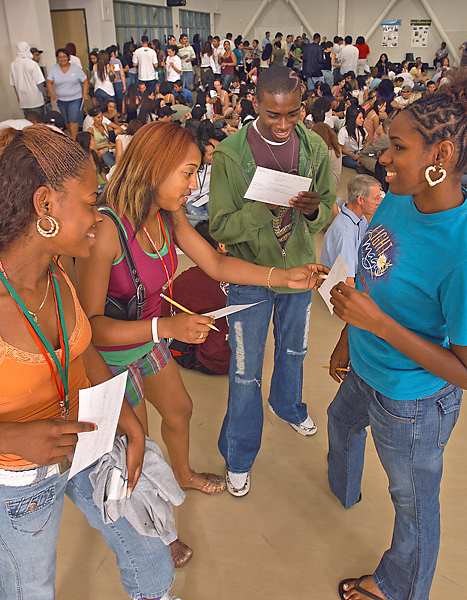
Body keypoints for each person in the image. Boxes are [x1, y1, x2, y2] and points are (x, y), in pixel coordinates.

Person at [75, 122, 323, 568]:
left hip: (149, 335)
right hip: (108, 356)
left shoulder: (167, 216)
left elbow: (214, 262)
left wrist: (281, 278)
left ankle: (184, 474)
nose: (194, 186)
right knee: (141, 447)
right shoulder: (107, 230)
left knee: (181, 409)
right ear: (154, 168)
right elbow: (90, 330)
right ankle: (158, 534)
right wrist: (167, 328)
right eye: (189, 174)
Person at [0, 123, 179, 600]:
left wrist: (127, 421)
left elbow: (82, 353)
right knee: (29, 586)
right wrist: (14, 436)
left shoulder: (56, 273)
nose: (100, 217)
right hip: (21, 474)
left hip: (87, 437)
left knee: (147, 545)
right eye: (89, 202)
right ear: (44, 206)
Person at [328, 70, 467, 600]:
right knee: (339, 427)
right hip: (363, 364)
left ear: (443, 155)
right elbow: (372, 274)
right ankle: (342, 487)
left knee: (413, 505)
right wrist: (348, 334)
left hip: (410, 401)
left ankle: (399, 587)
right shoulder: (398, 200)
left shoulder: (460, 252)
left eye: (399, 147)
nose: (382, 156)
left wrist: (378, 326)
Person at [209, 66, 336, 497]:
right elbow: (221, 228)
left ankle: (288, 405)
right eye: (271, 116)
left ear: (302, 107)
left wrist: (316, 208)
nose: (283, 125)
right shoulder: (230, 155)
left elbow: (328, 206)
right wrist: (261, 208)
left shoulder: (314, 147)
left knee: (295, 349)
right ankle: (239, 455)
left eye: (292, 115)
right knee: (245, 371)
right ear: (255, 107)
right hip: (249, 275)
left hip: (297, 270)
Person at [161, 221, 231, 375]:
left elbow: (163, 309)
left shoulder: (188, 280)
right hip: (247, 357)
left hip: (212, 361)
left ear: (221, 246)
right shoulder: (246, 269)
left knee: (165, 323)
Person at [320, 174, 382, 285]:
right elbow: (347, 281)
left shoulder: (360, 218)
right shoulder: (345, 234)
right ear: (361, 200)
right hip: (338, 283)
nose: (379, 202)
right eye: (376, 198)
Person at [46, 48, 88, 140]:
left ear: (68, 58)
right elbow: (49, 82)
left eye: (64, 57)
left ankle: (73, 140)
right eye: (60, 57)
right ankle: (71, 134)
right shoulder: (54, 69)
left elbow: (84, 81)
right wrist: (52, 93)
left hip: (75, 98)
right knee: (67, 121)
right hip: (61, 100)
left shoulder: (75, 69)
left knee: (73, 119)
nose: (62, 59)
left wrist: (84, 93)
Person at [9, 42, 45, 118]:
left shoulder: (13, 64)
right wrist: (45, 95)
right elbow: (39, 82)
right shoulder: (32, 64)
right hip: (36, 100)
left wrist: (18, 96)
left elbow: (14, 84)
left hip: (23, 101)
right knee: (39, 122)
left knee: (29, 123)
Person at [107, 45, 126, 113]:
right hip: (118, 83)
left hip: (110, 84)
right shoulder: (117, 61)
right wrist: (124, 85)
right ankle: (121, 114)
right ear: (113, 53)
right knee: (121, 101)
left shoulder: (107, 62)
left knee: (112, 100)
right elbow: (122, 74)